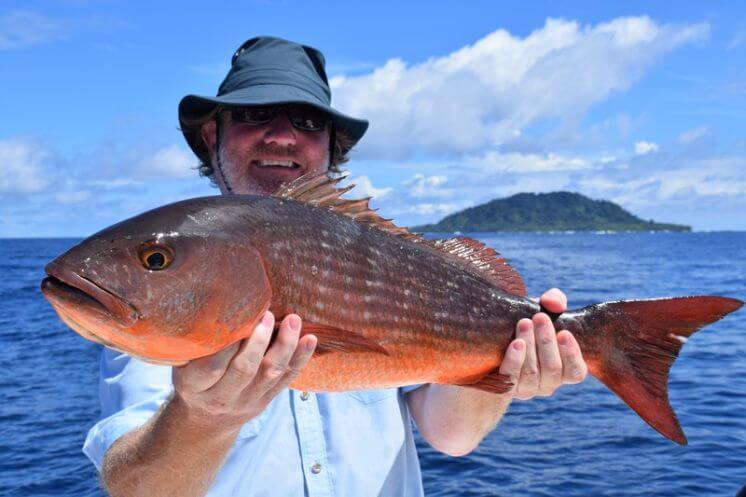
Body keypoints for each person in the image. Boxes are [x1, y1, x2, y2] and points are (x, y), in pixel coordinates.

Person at [83, 36, 588, 497]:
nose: (282, 136)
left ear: (330, 145)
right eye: (255, 114)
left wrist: (509, 365)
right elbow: (136, 488)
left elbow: (453, 434)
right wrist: (202, 419)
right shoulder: (165, 300)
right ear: (213, 133)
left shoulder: (389, 262)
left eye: (306, 122)